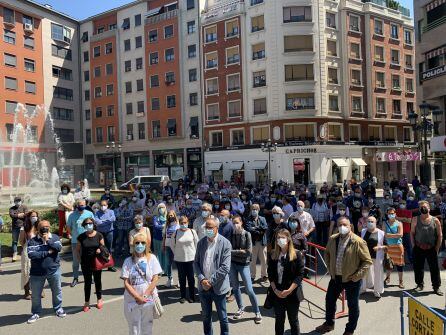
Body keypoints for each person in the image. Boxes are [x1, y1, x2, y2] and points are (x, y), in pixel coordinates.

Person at [315, 217, 372, 335]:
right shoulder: (333, 239)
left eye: (345, 225)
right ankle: (329, 324)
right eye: (340, 225)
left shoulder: (358, 241)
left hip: (352, 280)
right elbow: (327, 253)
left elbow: (367, 262)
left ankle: (350, 330)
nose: (342, 227)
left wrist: (357, 276)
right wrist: (330, 269)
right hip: (336, 277)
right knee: (330, 300)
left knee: (352, 305)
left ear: (350, 226)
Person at [194, 216, 232, 335]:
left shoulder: (225, 243)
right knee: (206, 317)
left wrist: (210, 282)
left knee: (223, 318)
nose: (207, 229)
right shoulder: (201, 242)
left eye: (210, 227)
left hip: (218, 288)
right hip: (203, 287)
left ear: (217, 228)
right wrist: (202, 279)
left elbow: (225, 267)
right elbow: (196, 263)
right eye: (206, 227)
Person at [121, 233, 162, 335]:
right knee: (134, 329)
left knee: (147, 327)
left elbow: (155, 279)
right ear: (133, 245)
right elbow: (126, 282)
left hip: (147, 300)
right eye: (137, 242)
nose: (140, 245)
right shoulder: (128, 261)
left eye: (142, 243)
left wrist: (144, 295)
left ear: (146, 245)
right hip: (132, 302)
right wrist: (137, 297)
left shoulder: (151, 258)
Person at [27, 220, 66, 324]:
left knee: (57, 291)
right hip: (37, 273)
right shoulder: (32, 241)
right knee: (35, 295)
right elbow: (32, 255)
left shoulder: (55, 237)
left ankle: (58, 308)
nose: (45, 229)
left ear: (50, 227)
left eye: (47, 227)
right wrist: (48, 252)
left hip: (54, 270)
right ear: (37, 229)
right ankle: (36, 312)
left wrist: (48, 241)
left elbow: (58, 248)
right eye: (42, 227)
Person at [268, 228, 305, 335]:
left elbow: (299, 275)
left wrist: (289, 290)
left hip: (292, 293)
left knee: (293, 320)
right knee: (279, 320)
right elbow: (270, 273)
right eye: (278, 238)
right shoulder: (273, 254)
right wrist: (275, 289)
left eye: (283, 237)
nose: (280, 240)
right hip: (277, 292)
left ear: (288, 239)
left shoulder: (297, 255)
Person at [229, 215, 262, 323]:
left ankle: (257, 311)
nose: (235, 225)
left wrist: (235, 252)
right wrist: (239, 251)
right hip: (232, 264)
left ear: (241, 223)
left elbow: (248, 251)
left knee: (249, 289)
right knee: (235, 287)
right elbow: (228, 250)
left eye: (237, 222)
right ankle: (240, 308)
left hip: (244, 264)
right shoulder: (231, 234)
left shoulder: (247, 234)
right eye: (233, 223)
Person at [411, 201, 443, 295]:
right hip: (418, 247)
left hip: (431, 248)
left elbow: (440, 235)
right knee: (418, 267)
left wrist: (437, 248)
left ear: (429, 208)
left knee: (434, 268)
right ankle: (420, 284)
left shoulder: (435, 220)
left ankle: (436, 287)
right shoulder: (415, 219)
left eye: (424, 207)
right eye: (421, 207)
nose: (423, 208)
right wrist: (413, 245)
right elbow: (412, 233)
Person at [76, 218, 105, 312]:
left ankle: (99, 299)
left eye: (90, 223)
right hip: (85, 263)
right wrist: (80, 260)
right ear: (84, 226)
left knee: (97, 281)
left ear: (93, 224)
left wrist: (100, 249)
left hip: (97, 262)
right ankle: (87, 302)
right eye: (87, 224)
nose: (89, 225)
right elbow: (77, 250)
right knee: (87, 282)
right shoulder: (81, 237)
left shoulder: (99, 235)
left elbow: (104, 247)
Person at [67, 199, 94, 287]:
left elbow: (93, 225)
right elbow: (68, 227)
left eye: (83, 205)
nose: (81, 206)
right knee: (76, 261)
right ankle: (75, 278)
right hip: (76, 242)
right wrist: (74, 235)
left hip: (88, 241)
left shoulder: (89, 214)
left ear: (85, 205)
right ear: (77, 205)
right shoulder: (72, 215)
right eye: (80, 204)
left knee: (89, 260)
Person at [173, 216, 198, 303]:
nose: (183, 225)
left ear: (188, 222)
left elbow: (196, 244)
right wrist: (177, 253)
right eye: (181, 223)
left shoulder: (192, 232)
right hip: (179, 259)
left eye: (185, 223)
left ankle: (192, 296)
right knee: (182, 278)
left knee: (191, 278)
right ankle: (182, 296)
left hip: (191, 259)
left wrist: (196, 256)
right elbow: (173, 245)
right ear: (179, 224)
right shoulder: (176, 232)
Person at [360, 216, 386, 298]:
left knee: (378, 273)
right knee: (363, 272)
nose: (370, 223)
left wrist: (379, 248)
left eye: (372, 221)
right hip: (365, 256)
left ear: (376, 223)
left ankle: (377, 290)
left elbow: (386, 246)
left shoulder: (381, 233)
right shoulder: (363, 231)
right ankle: (362, 289)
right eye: (368, 221)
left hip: (377, 256)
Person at [246, 203, 268, 282]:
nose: (254, 211)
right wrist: (260, 230)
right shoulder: (248, 219)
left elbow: (265, 228)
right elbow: (249, 229)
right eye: (253, 209)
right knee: (252, 261)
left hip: (262, 243)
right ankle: (252, 276)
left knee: (264, 260)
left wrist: (255, 228)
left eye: (256, 209)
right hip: (253, 243)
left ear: (258, 210)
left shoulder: (262, 219)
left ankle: (264, 275)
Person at [384, 207, 405, 289]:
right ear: (387, 214)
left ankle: (401, 281)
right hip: (389, 247)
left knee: (400, 265)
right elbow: (384, 234)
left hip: (398, 247)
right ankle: (388, 278)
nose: (391, 215)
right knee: (388, 265)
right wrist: (395, 235)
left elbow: (400, 234)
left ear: (395, 214)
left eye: (392, 213)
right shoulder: (385, 223)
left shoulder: (399, 223)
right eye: (389, 213)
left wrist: (389, 235)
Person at [19, 211, 39, 299]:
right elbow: (21, 241)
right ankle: (27, 292)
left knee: (39, 271)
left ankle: (39, 290)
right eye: (32, 216)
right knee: (27, 271)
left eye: (36, 216)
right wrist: (27, 248)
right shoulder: (24, 228)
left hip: (38, 249)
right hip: (28, 250)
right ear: (29, 218)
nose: (34, 218)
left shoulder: (39, 226)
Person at [94, 200, 117, 272]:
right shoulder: (97, 212)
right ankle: (100, 265)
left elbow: (113, 219)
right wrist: (107, 221)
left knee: (109, 249)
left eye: (104, 205)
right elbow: (97, 222)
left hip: (109, 232)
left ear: (107, 205)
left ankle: (110, 265)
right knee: (100, 249)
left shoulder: (111, 212)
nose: (103, 206)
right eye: (101, 205)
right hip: (100, 233)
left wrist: (103, 222)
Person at [163, 210, 180, 287]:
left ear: (174, 215)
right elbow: (164, 237)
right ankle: (170, 279)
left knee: (178, 264)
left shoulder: (178, 225)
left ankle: (180, 280)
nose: (171, 217)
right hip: (168, 246)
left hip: (176, 247)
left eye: (172, 215)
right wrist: (163, 245)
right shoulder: (166, 225)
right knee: (168, 263)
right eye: (169, 216)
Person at [9, 196, 28, 261]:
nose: (18, 202)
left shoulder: (24, 207)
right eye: (16, 201)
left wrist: (16, 215)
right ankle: (15, 253)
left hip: (23, 226)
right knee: (14, 241)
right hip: (15, 227)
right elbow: (12, 215)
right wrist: (19, 215)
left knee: (24, 240)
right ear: (14, 202)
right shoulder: (11, 208)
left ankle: (25, 252)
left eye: (19, 201)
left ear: (21, 201)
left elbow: (26, 215)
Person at [153, 203, 169, 278]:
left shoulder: (167, 217)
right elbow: (156, 226)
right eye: (160, 208)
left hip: (166, 239)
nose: (161, 209)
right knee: (158, 254)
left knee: (165, 255)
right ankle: (158, 270)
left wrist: (164, 226)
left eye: (163, 207)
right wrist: (164, 226)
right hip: (157, 238)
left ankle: (165, 270)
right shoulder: (155, 217)